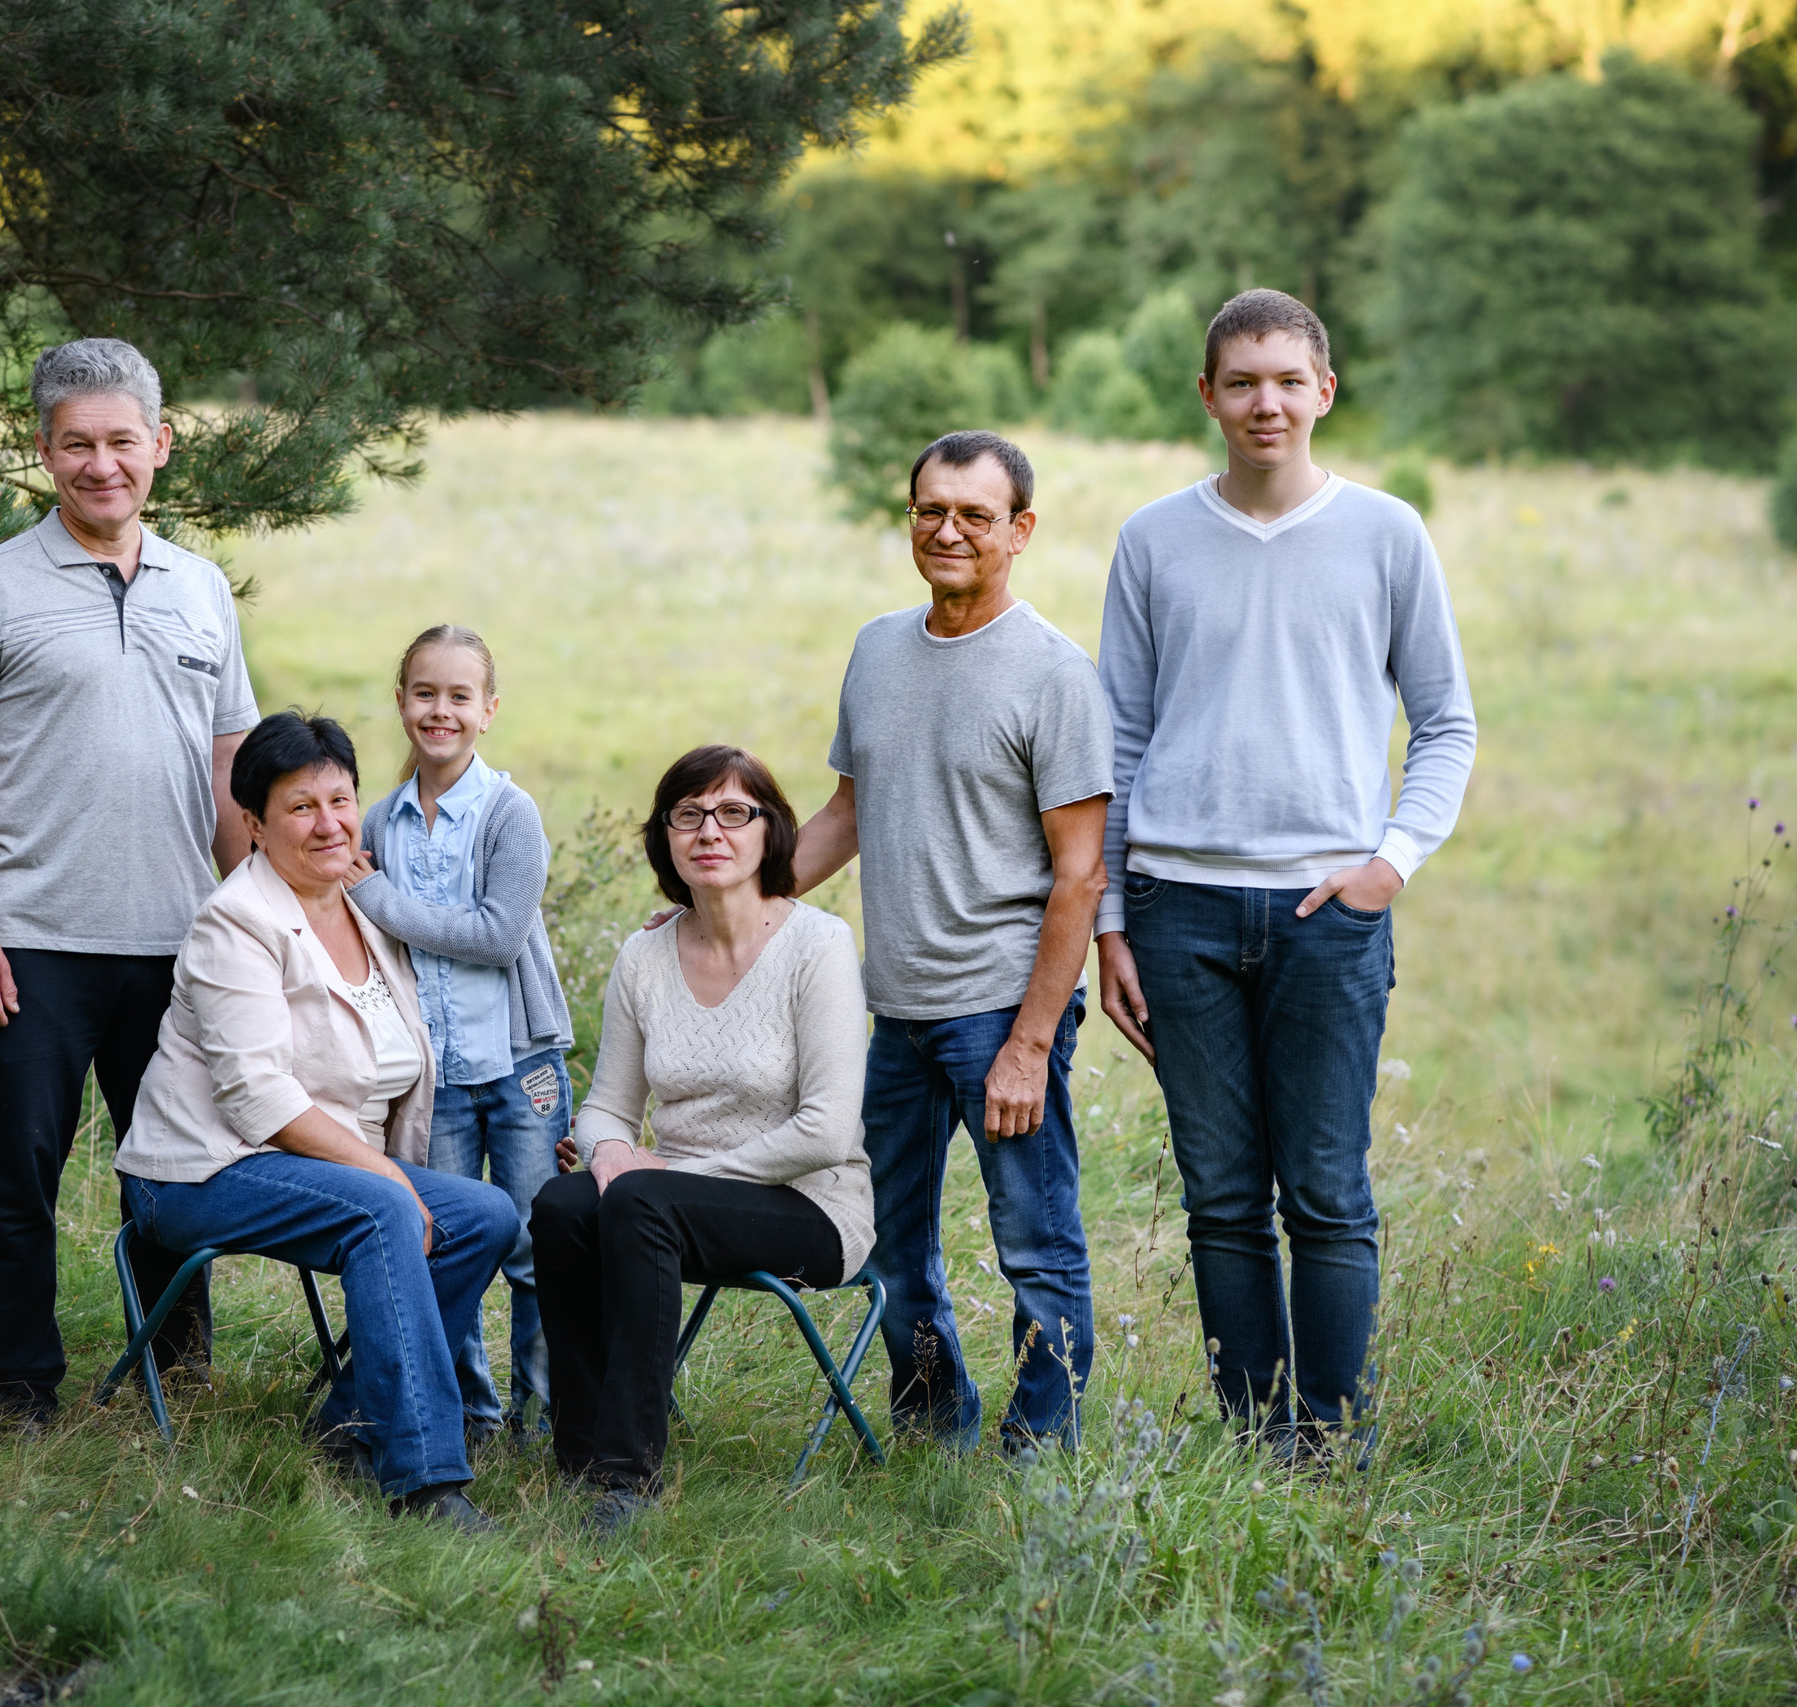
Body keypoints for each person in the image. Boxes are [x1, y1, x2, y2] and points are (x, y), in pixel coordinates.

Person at [1094, 289, 1476, 1459]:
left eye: (1286, 380)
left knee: (1323, 1191)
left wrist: (1388, 865)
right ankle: (1254, 1437)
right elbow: (1114, 737)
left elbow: (1446, 723)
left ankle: (1333, 1436)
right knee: (1219, 1196)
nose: (1266, 402)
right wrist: (1111, 919)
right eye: (1241, 381)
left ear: (1324, 390)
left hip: (1328, 914)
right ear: (1208, 396)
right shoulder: (1152, 539)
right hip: (1178, 912)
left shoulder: (1386, 533)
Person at [0, 337, 258, 1428]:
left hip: (180, 940)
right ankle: (19, 1386)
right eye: (76, 444)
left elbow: (228, 765)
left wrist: (255, 925)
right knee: (17, 1180)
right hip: (33, 943)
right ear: (42, 450)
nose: (100, 464)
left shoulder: (201, 590)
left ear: (160, 447)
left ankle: (177, 1366)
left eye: (121, 442)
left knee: (174, 1171)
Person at [788, 429, 1114, 1454]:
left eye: (975, 514)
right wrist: (734, 904)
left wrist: (1028, 1041)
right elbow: (845, 813)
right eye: (931, 509)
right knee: (892, 1243)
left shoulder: (1055, 675)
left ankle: (1040, 1448)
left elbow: (1081, 873)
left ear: (1018, 531)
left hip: (999, 1013)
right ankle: (934, 1426)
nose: (949, 530)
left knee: (1035, 1246)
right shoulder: (878, 647)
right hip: (897, 1010)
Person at [115, 712, 517, 1533]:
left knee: (487, 1214)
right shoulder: (238, 921)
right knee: (385, 1209)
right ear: (255, 826)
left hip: (313, 1167)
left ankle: (349, 1420)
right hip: (198, 1171)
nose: (329, 822)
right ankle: (426, 1480)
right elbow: (258, 1101)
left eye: (341, 799)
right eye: (301, 807)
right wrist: (388, 1177)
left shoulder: (366, 908)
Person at [534, 746, 874, 1534]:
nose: (709, 831)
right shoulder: (643, 955)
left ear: (770, 832)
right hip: (668, 1199)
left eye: (732, 812)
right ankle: (580, 1451)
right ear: (666, 839)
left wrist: (673, 1170)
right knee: (560, 1204)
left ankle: (628, 1478)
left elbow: (826, 1130)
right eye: (687, 815)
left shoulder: (817, 947)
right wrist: (611, 1153)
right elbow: (607, 1108)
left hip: (811, 1206)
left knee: (643, 1202)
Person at [344, 626, 573, 1441]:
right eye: (424, 693)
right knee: (449, 1242)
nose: (440, 710)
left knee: (537, 1245)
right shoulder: (380, 821)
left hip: (520, 1070)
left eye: (459, 696)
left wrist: (382, 902)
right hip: (432, 1076)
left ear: (489, 711)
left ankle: (541, 1416)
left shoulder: (511, 813)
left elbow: (498, 934)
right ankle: (467, 1411)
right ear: (402, 703)